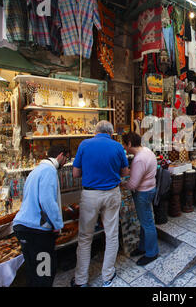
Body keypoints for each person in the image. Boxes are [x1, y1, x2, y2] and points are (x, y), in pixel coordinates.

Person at [71, 121, 129, 287]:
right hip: (112, 193)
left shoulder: (84, 144)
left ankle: (81, 280)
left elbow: (75, 173)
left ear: (95, 131)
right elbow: (125, 172)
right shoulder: (118, 147)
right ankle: (108, 276)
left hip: (90, 195)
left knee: (85, 237)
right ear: (110, 133)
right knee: (111, 234)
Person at [13, 145, 70, 287]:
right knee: (44, 273)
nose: (65, 163)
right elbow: (47, 201)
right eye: (66, 159)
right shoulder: (49, 171)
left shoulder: (36, 171)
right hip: (37, 231)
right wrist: (57, 225)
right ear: (60, 156)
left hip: (23, 227)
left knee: (33, 271)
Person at [122, 132, 159, 266]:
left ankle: (152, 252)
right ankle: (144, 247)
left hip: (143, 193)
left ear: (130, 143)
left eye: (125, 144)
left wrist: (122, 184)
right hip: (150, 189)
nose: (124, 147)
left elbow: (133, 185)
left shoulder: (139, 159)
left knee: (147, 223)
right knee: (145, 221)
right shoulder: (147, 151)